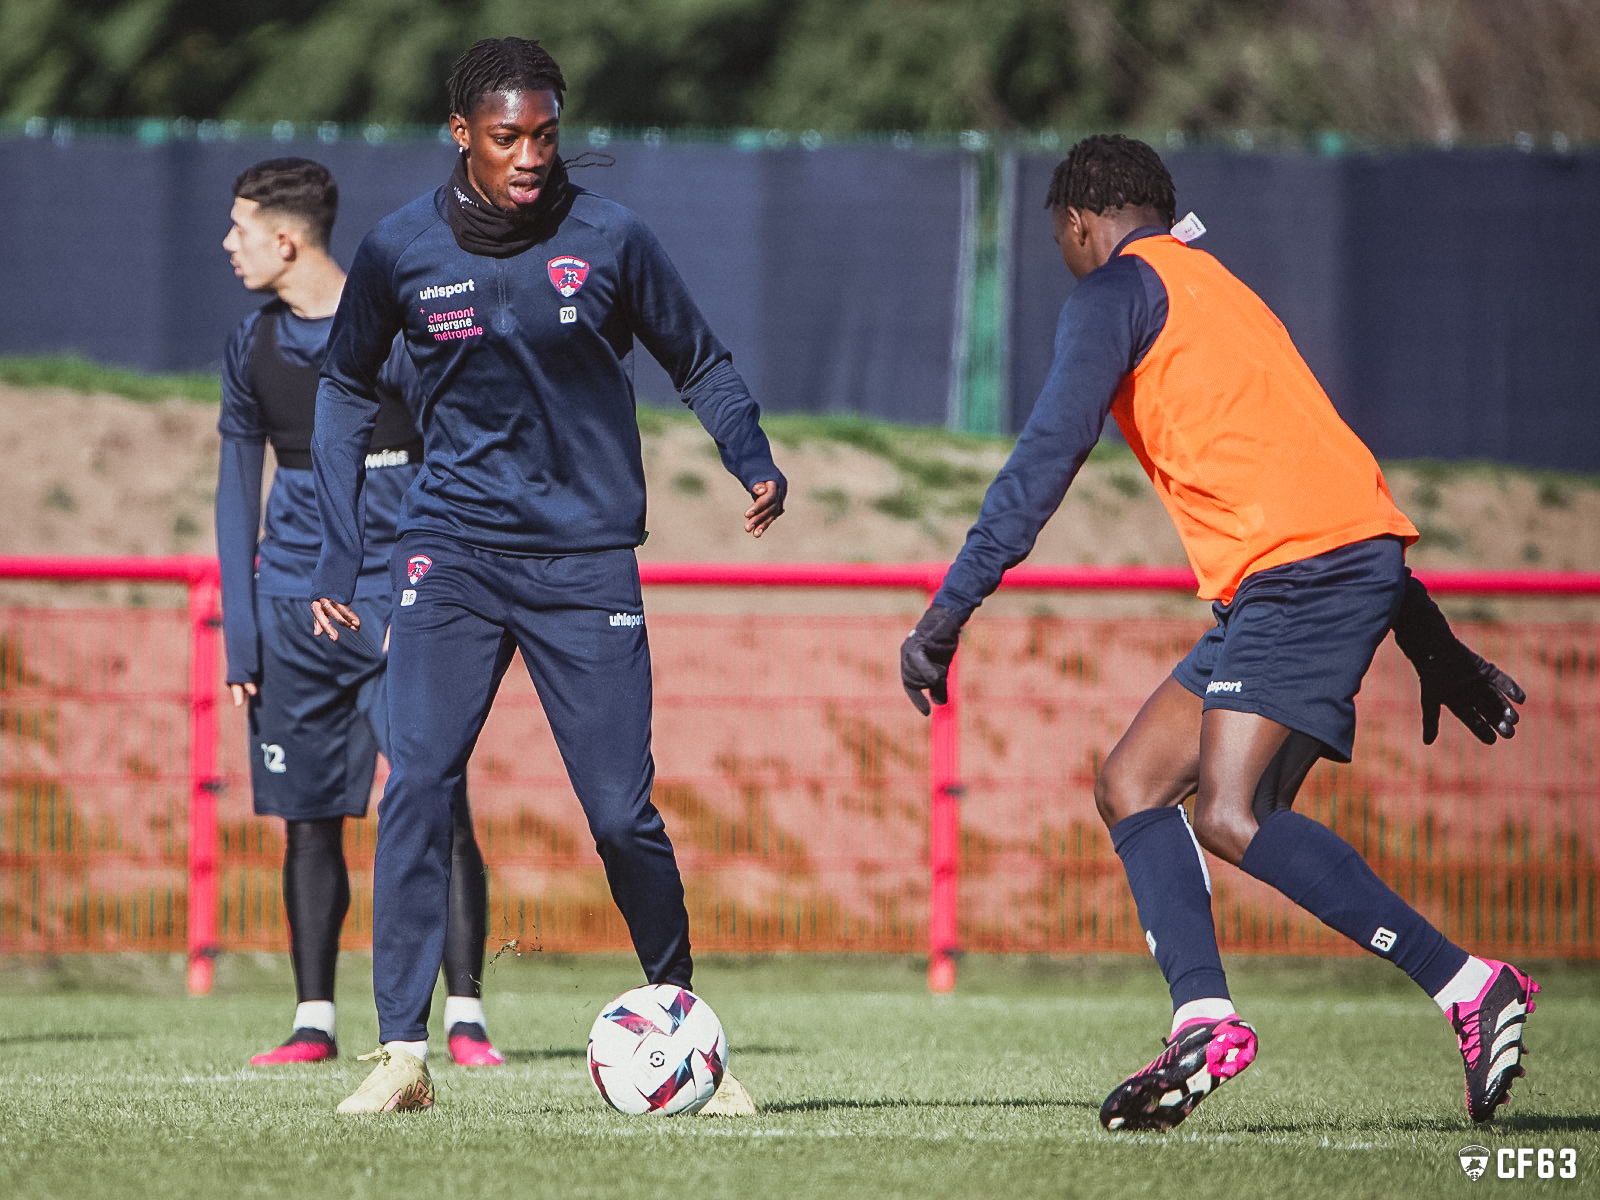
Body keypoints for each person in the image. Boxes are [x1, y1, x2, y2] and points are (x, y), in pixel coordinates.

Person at [900, 135, 1534, 1131]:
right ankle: (1203, 1017)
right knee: (1131, 784)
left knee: (1229, 815)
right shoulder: (1219, 291)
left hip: (1298, 579)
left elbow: (1040, 465)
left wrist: (945, 616)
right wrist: (1435, 647)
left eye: (1061, 238)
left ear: (1076, 223)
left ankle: (1464, 984)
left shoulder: (1114, 292)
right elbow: (1340, 486)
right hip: (1308, 575)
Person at [308, 37, 786, 1114]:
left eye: (546, 135)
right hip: (451, 550)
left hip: (584, 560)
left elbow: (697, 358)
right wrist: (345, 541)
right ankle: (400, 1056)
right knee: (416, 780)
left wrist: (747, 453)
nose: (531, 156)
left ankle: (686, 1035)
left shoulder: (610, 237)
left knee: (621, 815)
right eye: (508, 137)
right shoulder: (399, 250)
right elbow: (343, 385)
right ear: (462, 135)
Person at [218, 157, 505, 1070]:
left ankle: (464, 1017)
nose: (228, 245)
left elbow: (463, 452)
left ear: (286, 239)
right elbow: (235, 494)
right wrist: (243, 630)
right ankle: (315, 1021)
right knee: (309, 816)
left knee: (436, 802)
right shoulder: (250, 347)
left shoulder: (397, 325)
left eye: (240, 230)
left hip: (400, 600)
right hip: (292, 610)